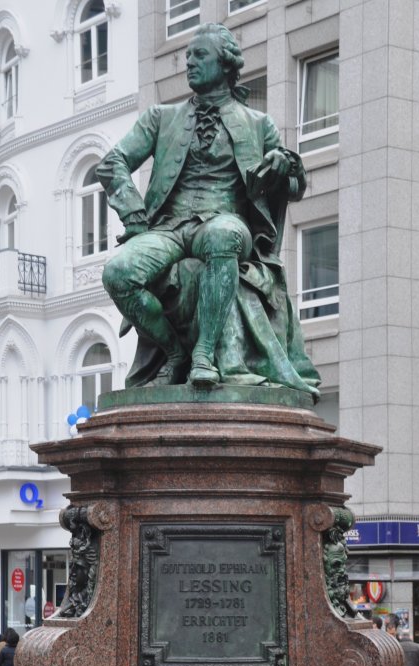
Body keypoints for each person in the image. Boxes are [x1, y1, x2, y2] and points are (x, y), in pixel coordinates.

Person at [96, 23, 320, 395]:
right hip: (167, 228)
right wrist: (134, 214)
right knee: (117, 273)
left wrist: (288, 166)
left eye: (199, 56)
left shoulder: (258, 124)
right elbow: (111, 162)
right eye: (187, 57)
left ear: (225, 63)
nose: (189, 64)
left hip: (223, 219)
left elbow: (294, 190)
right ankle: (175, 352)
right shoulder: (160, 118)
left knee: (223, 236)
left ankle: (204, 354)